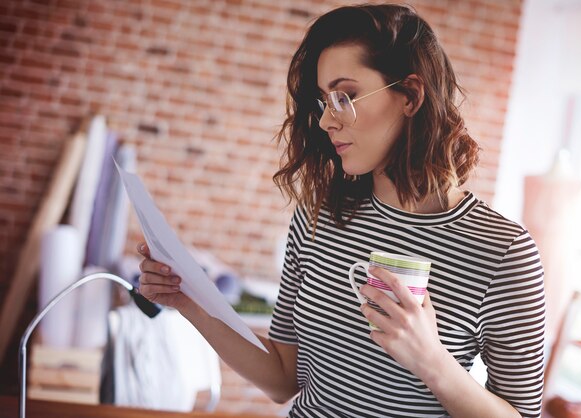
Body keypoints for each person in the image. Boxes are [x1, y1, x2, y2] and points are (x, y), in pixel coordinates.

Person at [137, 4, 545, 417]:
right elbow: (282, 379)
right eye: (323, 101)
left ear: (410, 95)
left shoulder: (504, 253)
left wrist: (433, 362)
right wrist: (185, 301)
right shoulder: (319, 218)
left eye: (344, 96)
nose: (326, 121)